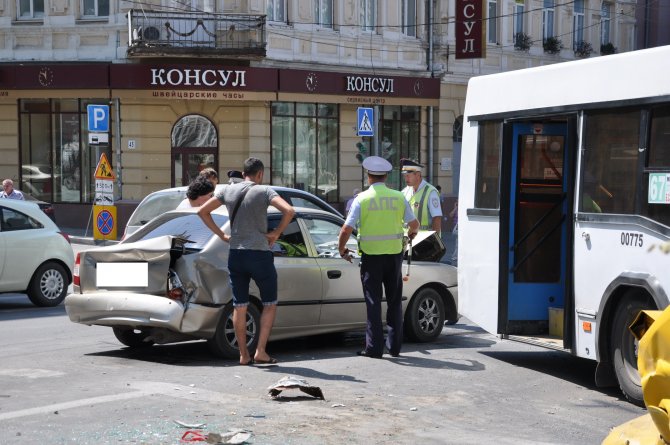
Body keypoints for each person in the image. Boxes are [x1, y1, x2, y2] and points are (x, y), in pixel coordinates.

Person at [198, 158, 295, 366]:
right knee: (269, 304)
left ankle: (243, 355)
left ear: (244, 174)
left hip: (236, 254)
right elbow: (289, 211)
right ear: (260, 174)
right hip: (259, 254)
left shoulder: (228, 191)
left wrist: (222, 235)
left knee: (239, 306)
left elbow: (202, 211)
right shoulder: (265, 191)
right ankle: (260, 351)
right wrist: (276, 233)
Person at [337, 156, 419, 359]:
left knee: (373, 302)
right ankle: (395, 347)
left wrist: (342, 249)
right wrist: (411, 235)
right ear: (387, 176)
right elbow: (414, 224)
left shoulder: (362, 199)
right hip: (394, 256)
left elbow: (347, 228)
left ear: (368, 176)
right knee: (394, 302)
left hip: (371, 258)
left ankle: (374, 349)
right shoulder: (398, 197)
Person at [400, 159, 442, 236]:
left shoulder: (430, 192)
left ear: (418, 174)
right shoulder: (404, 192)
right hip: (406, 239)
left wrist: (435, 242)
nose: (406, 179)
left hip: (424, 240)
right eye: (404, 176)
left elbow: (437, 218)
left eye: (408, 176)